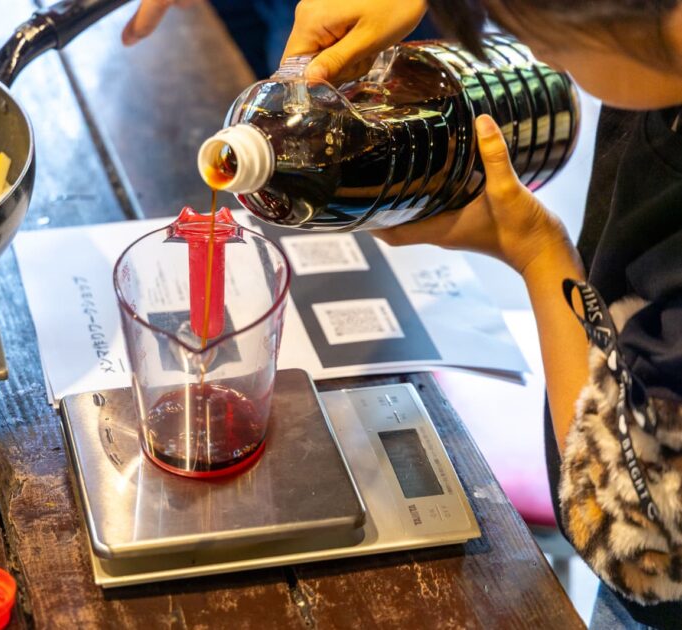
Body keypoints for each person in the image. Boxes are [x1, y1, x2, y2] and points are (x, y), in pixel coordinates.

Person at [126, 1, 682, 627]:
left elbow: (642, 540)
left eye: (541, 23)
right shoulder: (655, 68)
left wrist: (538, 252)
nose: (526, 42)